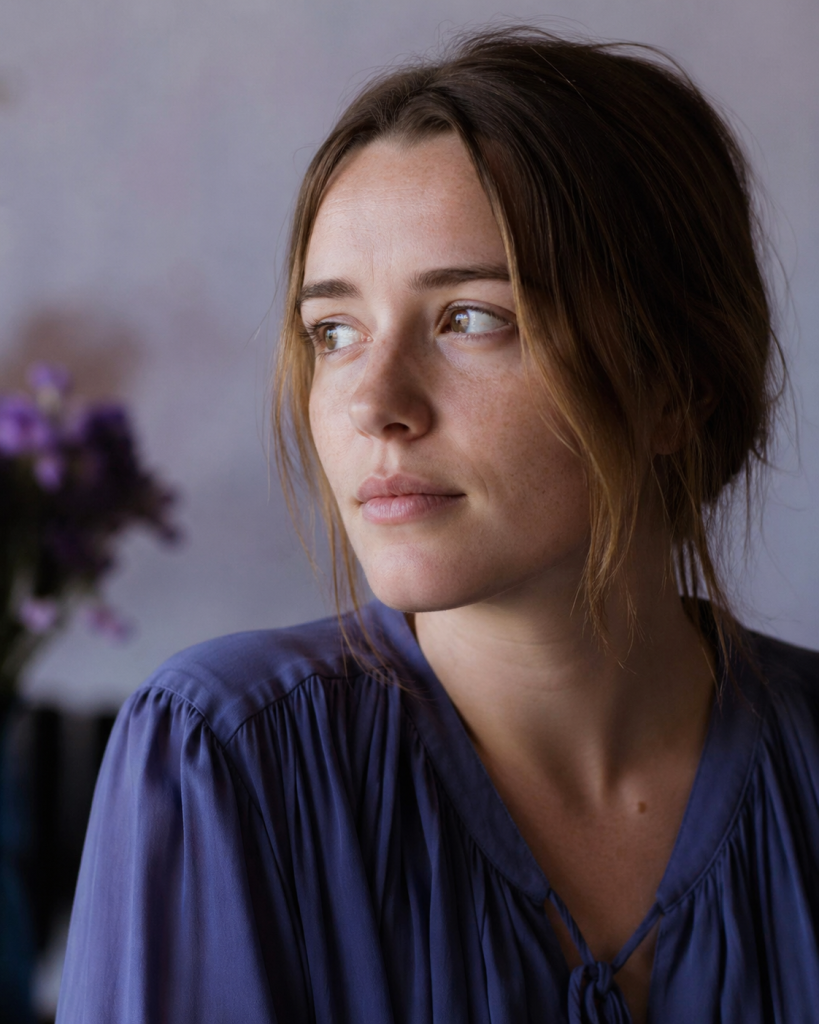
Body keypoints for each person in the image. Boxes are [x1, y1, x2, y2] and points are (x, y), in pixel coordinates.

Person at [56, 27, 819, 1024]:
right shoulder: (224, 756)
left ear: (672, 382)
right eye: (334, 332)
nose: (375, 401)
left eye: (469, 317)